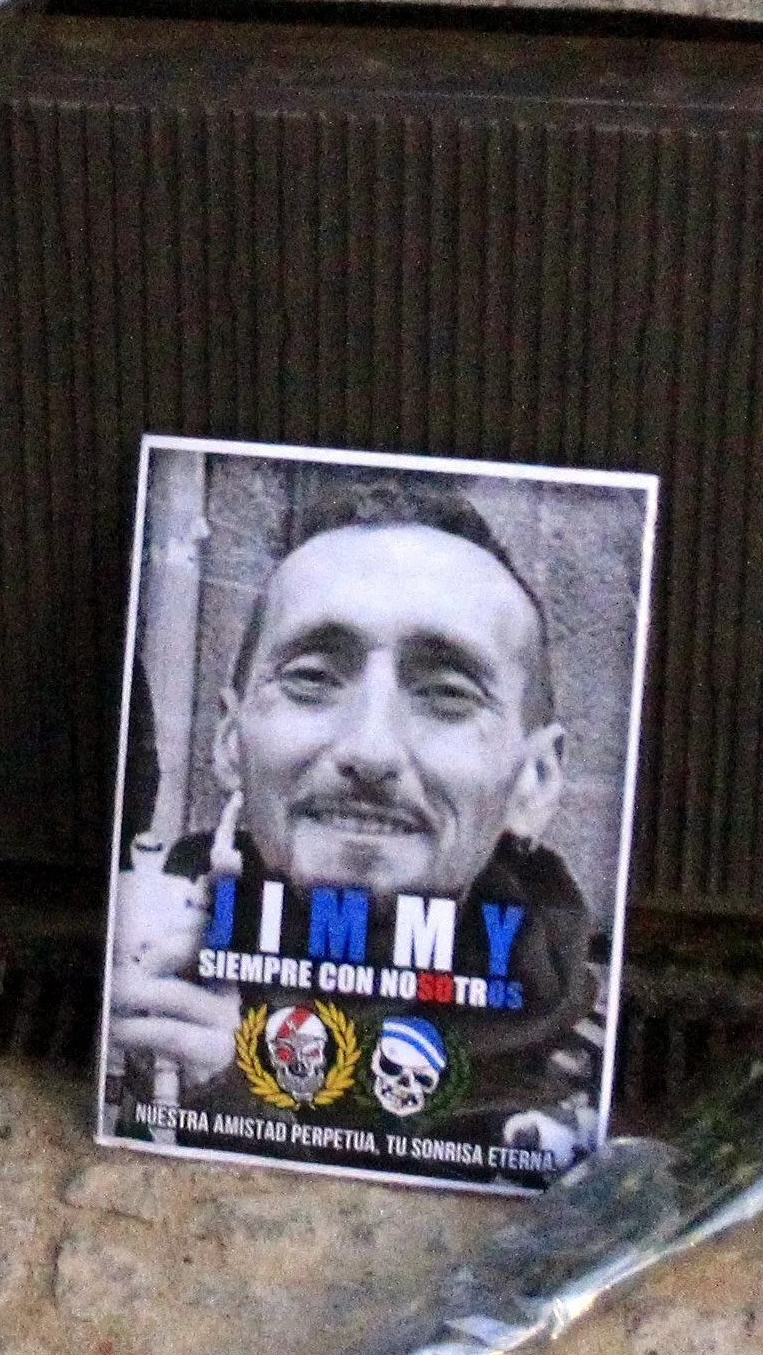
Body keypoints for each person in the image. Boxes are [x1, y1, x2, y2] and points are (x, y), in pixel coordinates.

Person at [103, 476, 613, 1157]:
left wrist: (242, 1093)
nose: (369, 750)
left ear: (536, 779)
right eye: (311, 678)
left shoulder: (583, 1092)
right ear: (231, 742)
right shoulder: (129, 967)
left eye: (447, 694)